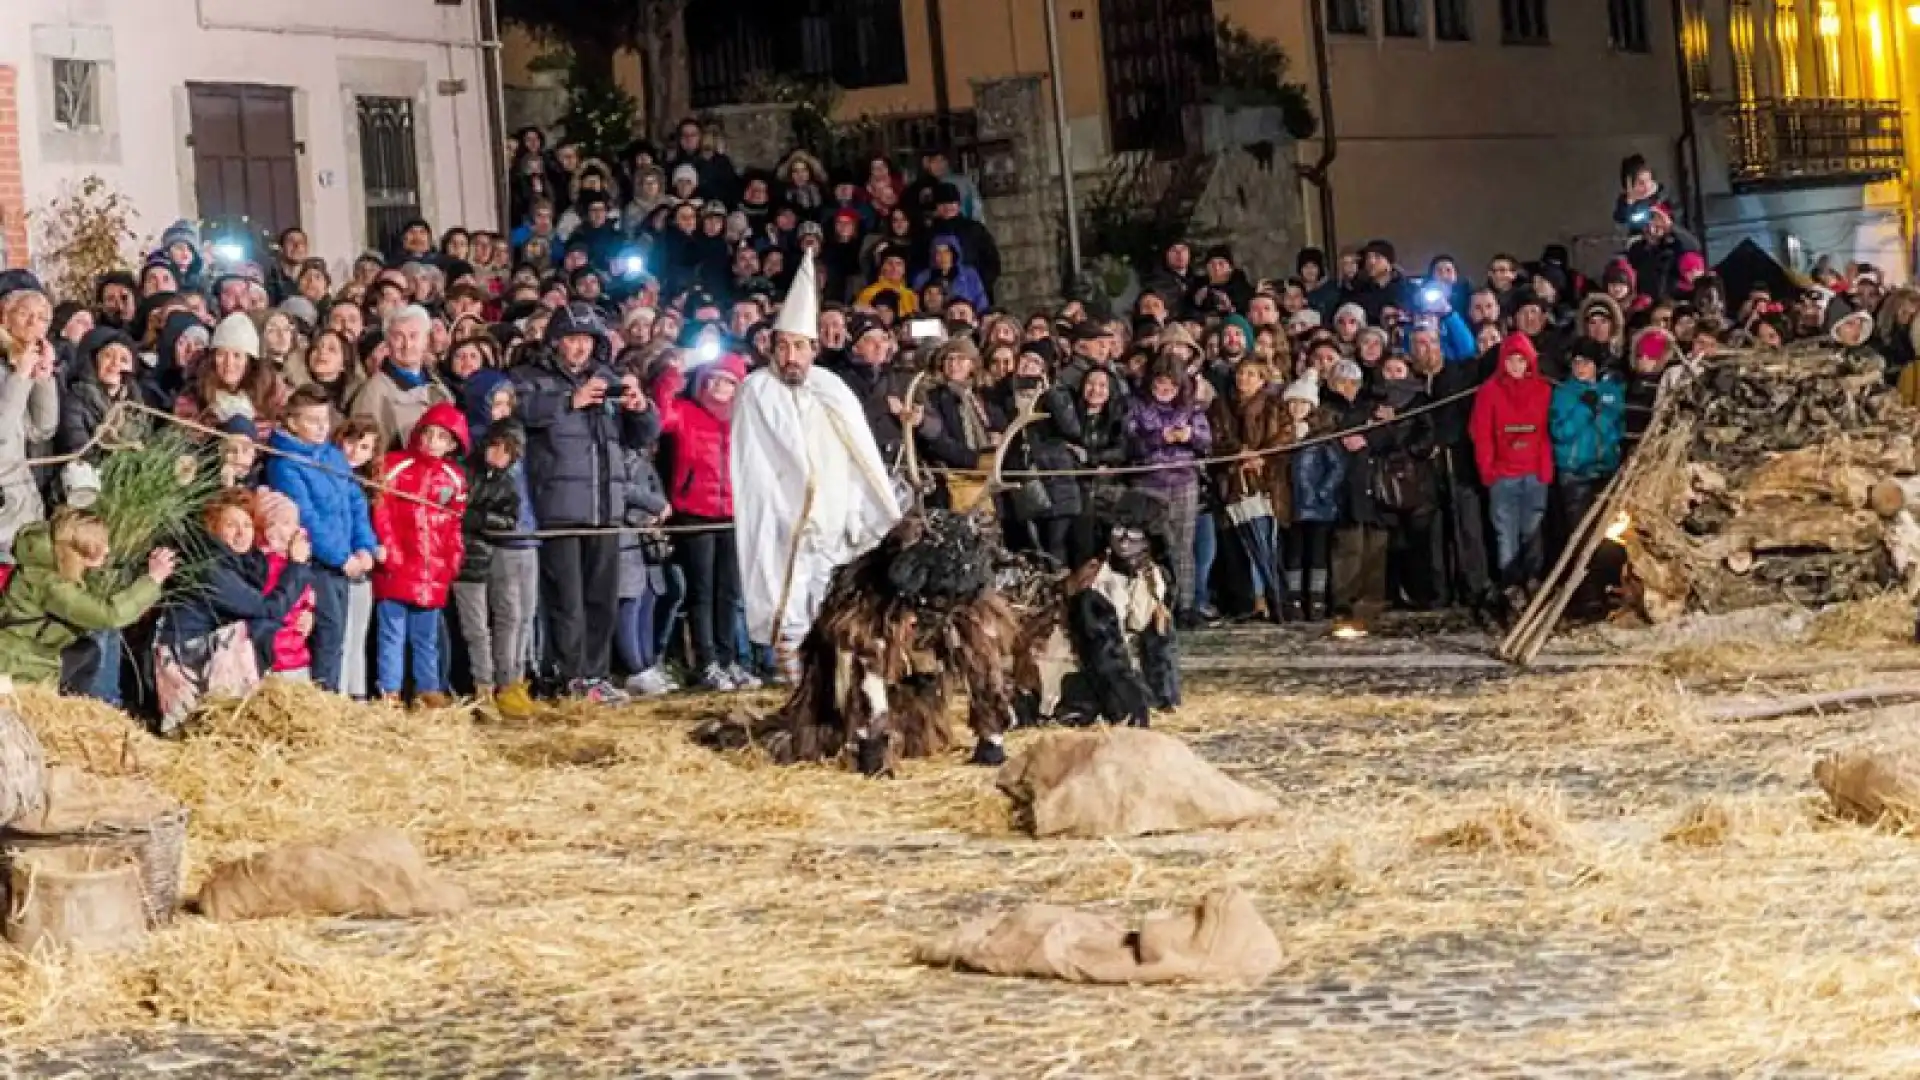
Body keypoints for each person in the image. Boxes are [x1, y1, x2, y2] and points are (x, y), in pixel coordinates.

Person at [731, 252, 902, 684]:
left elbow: (858, 453)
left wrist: (864, 512)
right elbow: (764, 461)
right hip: (787, 525)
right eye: (783, 345)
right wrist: (793, 511)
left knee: (835, 612)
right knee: (790, 614)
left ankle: (833, 694)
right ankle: (796, 693)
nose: (791, 356)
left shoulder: (832, 388)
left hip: (835, 522)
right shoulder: (757, 391)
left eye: (800, 346)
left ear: (814, 349)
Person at [512, 303, 660, 703]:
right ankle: (569, 677)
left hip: (605, 509)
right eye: (572, 339)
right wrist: (568, 403)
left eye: (586, 340)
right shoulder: (532, 378)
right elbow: (515, 413)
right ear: (556, 341)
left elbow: (642, 435)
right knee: (567, 603)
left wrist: (641, 407)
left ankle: (595, 676)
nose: (579, 348)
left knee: (602, 601)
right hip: (560, 509)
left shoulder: (608, 379)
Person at [153, 490, 309, 729]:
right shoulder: (210, 567)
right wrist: (296, 566)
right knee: (261, 627)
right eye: (231, 525)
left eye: (247, 524)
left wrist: (304, 613)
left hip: (205, 650)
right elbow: (269, 609)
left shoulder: (241, 561)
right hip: (186, 657)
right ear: (213, 528)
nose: (241, 533)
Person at [266, 385, 381, 694]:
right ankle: (320, 699)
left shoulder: (333, 456)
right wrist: (341, 558)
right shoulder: (285, 464)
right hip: (318, 564)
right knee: (324, 636)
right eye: (312, 420)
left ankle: (331, 697)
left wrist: (365, 546)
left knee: (338, 636)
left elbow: (354, 503)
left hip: (346, 562)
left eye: (325, 420)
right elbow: (307, 518)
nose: (321, 427)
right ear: (292, 422)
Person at [651, 350, 755, 691]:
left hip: (733, 514)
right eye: (714, 379)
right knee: (702, 592)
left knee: (729, 591)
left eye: (728, 381)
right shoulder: (686, 413)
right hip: (695, 511)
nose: (720, 387)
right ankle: (707, 661)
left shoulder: (743, 419)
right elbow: (661, 418)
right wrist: (669, 378)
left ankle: (729, 660)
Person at [0, 509, 176, 686]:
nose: (107, 549)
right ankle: (95, 704)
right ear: (78, 551)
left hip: (23, 650)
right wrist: (153, 579)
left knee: (88, 648)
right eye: (100, 544)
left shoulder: (44, 565)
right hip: (19, 663)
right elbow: (109, 615)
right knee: (92, 649)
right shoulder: (51, 586)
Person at [369, 401, 469, 708]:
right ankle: (390, 691)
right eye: (429, 434)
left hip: (433, 572)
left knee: (426, 637)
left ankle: (429, 690)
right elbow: (381, 510)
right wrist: (392, 551)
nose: (433, 442)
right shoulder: (394, 465)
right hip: (398, 566)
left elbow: (454, 523)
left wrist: (453, 558)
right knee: (392, 634)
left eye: (442, 437)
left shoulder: (454, 478)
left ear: (452, 443)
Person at [1470, 333, 1555, 613]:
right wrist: (1488, 471)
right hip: (1503, 475)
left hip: (1533, 472)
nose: (1516, 366)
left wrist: (1545, 469)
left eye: (1522, 360)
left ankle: (1533, 580)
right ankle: (1510, 584)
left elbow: (1545, 432)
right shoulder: (1490, 391)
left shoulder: (1542, 389)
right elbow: (1481, 433)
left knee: (1532, 531)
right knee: (1505, 534)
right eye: (1511, 360)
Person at [1127, 354, 1212, 627]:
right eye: (1160, 385)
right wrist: (1158, 438)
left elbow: (1207, 443)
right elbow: (1131, 445)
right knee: (1148, 547)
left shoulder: (1191, 410)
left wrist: (1190, 436)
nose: (1164, 392)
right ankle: (1150, 604)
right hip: (1148, 483)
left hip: (1183, 482)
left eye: (1171, 387)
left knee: (1182, 546)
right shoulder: (1137, 407)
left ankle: (1185, 606)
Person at [453, 420, 526, 709]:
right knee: (477, 628)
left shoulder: (507, 483)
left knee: (509, 617)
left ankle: (507, 683)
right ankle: (483, 687)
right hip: (465, 558)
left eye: (507, 451)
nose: (499, 455)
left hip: (494, 553)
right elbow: (452, 508)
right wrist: (473, 518)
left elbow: (509, 520)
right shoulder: (462, 472)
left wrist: (481, 520)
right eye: (496, 446)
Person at [0, 286, 61, 552]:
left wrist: (43, 378)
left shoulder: (15, 366)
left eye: (42, 318)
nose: (33, 324)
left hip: (24, 500)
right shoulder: (11, 372)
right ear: (5, 318)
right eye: (25, 314)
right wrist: (20, 377)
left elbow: (41, 430)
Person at [1549, 342, 1627, 542]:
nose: (1580, 367)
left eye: (1586, 362)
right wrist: (1584, 410)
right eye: (1576, 362)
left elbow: (1617, 429)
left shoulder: (1611, 392)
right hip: (1575, 473)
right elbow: (1560, 432)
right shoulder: (1563, 393)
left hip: (1605, 473)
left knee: (1608, 535)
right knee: (1579, 535)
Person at [350, 304, 454, 451]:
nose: (407, 345)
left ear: (426, 341)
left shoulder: (438, 387)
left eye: (413, 336)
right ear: (387, 343)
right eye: (398, 337)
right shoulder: (373, 393)